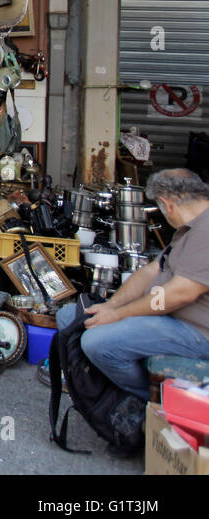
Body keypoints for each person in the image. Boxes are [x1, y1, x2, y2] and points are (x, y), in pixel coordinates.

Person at [54, 168, 209, 400]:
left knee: (97, 343)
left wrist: (120, 315)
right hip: (169, 318)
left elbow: (179, 294)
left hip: (196, 333)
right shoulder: (188, 229)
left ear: (167, 204)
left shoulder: (205, 231)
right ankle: (105, 396)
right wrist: (112, 306)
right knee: (71, 317)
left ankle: (146, 404)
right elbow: (150, 271)